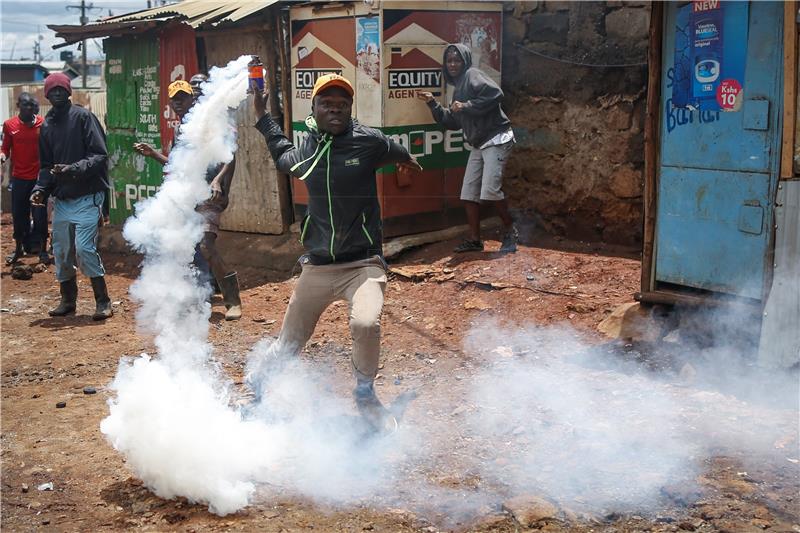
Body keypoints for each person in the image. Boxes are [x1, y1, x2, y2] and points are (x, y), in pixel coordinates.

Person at [251, 73, 421, 432]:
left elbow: (396, 150)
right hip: (317, 267)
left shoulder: (367, 141)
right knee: (288, 345)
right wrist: (262, 115)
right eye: (327, 103)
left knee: (365, 322)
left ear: (350, 109)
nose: (335, 109)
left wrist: (408, 159)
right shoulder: (308, 149)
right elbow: (282, 155)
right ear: (314, 108)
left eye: (342, 104)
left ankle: (365, 393)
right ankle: (259, 390)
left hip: (363, 264)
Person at [133, 79, 242, 320]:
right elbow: (176, 164)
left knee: (206, 245)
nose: (179, 102)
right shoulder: (182, 130)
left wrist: (217, 181)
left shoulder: (214, 122)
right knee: (182, 244)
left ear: (194, 99)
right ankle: (195, 293)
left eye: (183, 97)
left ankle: (233, 301)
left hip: (211, 195)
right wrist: (153, 154)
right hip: (189, 194)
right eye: (175, 99)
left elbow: (230, 156)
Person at [418, 43, 518, 254]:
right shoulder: (458, 89)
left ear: (465, 62)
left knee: (490, 190)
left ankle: (511, 230)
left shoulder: (472, 75)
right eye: (449, 61)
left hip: (496, 138)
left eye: (457, 60)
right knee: (468, 194)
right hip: (479, 143)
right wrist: (433, 104)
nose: (453, 64)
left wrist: (466, 106)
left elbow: (496, 94)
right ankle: (474, 240)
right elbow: (453, 122)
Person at [30, 73, 112, 320]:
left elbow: (100, 156)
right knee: (62, 251)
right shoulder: (47, 125)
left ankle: (103, 301)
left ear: (68, 92)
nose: (56, 94)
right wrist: (40, 190)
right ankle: (68, 300)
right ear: (46, 95)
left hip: (88, 195)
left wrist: (72, 169)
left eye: (60, 90)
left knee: (84, 248)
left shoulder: (83, 117)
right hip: (63, 199)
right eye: (51, 90)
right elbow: (45, 165)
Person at [1, 92, 49, 265]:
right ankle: (19, 248)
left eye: (32, 105)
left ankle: (43, 249)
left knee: (40, 214)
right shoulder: (9, 125)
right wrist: (2, 155)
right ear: (18, 106)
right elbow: (6, 148)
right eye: (25, 105)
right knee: (19, 215)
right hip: (19, 178)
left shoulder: (43, 124)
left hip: (38, 178)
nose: (29, 108)